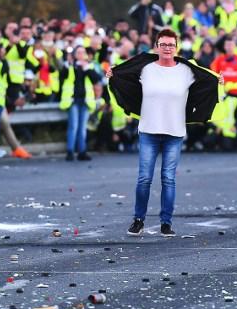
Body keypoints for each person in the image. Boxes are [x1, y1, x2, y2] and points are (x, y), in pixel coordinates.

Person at [108, 28, 221, 237]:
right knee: (144, 178)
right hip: (148, 131)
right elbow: (126, 79)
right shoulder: (146, 69)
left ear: (176, 47)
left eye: (171, 45)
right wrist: (114, 76)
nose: (167, 48)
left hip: (174, 132)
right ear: (157, 47)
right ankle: (138, 220)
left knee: (168, 178)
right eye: (163, 44)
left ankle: (166, 223)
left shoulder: (186, 71)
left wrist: (217, 82)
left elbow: (206, 81)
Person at [59, 46, 102, 162]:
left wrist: (87, 68)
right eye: (78, 52)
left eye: (83, 52)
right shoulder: (69, 66)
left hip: (85, 101)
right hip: (73, 100)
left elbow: (97, 79)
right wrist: (69, 64)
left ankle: (82, 151)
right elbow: (62, 76)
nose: (81, 54)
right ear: (74, 54)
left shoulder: (89, 66)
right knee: (73, 126)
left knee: (82, 128)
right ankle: (70, 151)